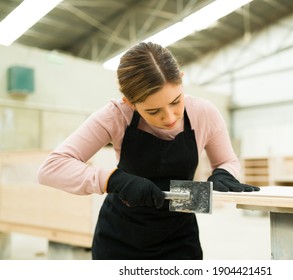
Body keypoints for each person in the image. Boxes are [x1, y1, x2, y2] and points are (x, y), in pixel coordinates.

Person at [37, 42, 259, 260]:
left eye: (176, 102)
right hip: (119, 239)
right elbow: (51, 168)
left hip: (180, 238)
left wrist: (225, 173)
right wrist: (112, 180)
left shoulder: (203, 113)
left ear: (181, 79)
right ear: (130, 103)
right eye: (153, 111)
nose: (170, 118)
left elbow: (227, 161)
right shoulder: (116, 115)